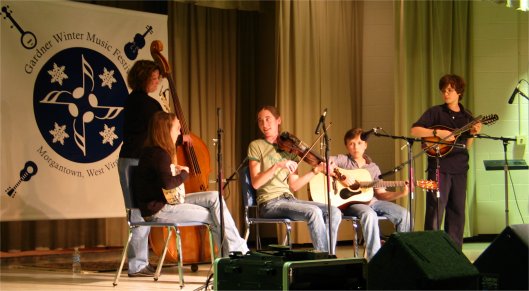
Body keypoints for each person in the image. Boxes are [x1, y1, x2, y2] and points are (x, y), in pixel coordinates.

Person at [133, 111, 249, 259]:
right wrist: (184, 174)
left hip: (167, 202)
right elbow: (168, 184)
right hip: (159, 210)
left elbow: (161, 180)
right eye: (177, 128)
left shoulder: (153, 152)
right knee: (214, 216)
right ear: (166, 130)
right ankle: (232, 257)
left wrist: (176, 171)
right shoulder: (159, 154)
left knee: (215, 197)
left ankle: (235, 252)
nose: (180, 132)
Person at [247, 105, 342, 253]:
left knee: (334, 211)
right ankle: (325, 260)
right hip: (269, 203)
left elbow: (295, 185)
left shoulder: (290, 149)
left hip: (289, 200)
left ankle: (328, 255)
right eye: (260, 121)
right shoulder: (256, 145)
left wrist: (316, 170)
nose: (264, 125)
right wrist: (277, 166)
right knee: (313, 212)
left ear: (278, 120)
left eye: (268, 119)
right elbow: (256, 183)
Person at [410, 74, 481, 249]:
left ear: (459, 92)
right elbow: (415, 130)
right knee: (435, 210)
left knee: (457, 212)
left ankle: (454, 253)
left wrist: (473, 134)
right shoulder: (435, 112)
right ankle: (431, 251)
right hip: (438, 168)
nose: (446, 93)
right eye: (443, 90)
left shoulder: (467, 116)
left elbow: (467, 146)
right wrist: (436, 133)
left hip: (459, 169)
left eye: (450, 90)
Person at [330, 128, 409, 260]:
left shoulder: (373, 168)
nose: (356, 147)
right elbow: (325, 162)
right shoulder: (343, 160)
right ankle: (375, 259)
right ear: (346, 146)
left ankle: (399, 257)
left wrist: (401, 193)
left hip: (372, 202)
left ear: (365, 145)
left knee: (404, 214)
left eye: (360, 143)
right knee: (369, 214)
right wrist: (340, 176)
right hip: (351, 203)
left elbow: (381, 194)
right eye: (351, 143)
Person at [117, 60, 163, 277]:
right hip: (136, 161)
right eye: (154, 78)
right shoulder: (147, 104)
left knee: (138, 211)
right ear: (144, 78)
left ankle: (140, 262)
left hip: (130, 159)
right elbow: (162, 128)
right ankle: (137, 265)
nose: (157, 82)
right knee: (139, 212)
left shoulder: (132, 100)